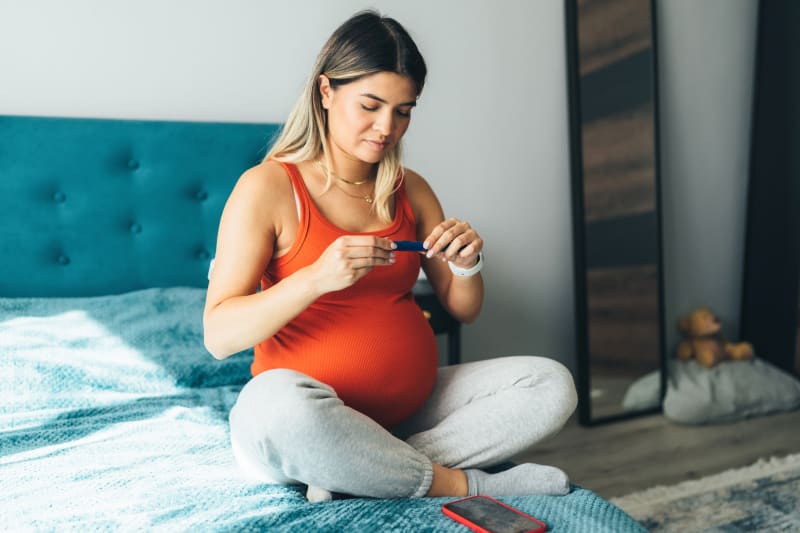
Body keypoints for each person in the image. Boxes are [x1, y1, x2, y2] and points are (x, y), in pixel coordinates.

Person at [203, 10, 577, 502]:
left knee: (550, 384)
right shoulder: (267, 188)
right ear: (325, 92)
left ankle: (362, 466)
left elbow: (464, 308)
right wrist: (316, 277)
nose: (387, 127)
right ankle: (458, 482)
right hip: (304, 412)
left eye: (404, 110)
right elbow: (219, 336)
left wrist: (466, 263)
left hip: (408, 413)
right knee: (281, 413)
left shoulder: (412, 190)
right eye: (371, 105)